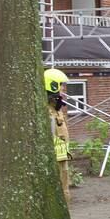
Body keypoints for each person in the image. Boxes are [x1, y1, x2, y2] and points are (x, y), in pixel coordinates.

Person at [44, 68, 72, 203]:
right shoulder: (47, 111)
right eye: (61, 86)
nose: (63, 90)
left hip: (62, 157)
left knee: (64, 184)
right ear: (53, 86)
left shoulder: (57, 108)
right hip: (53, 159)